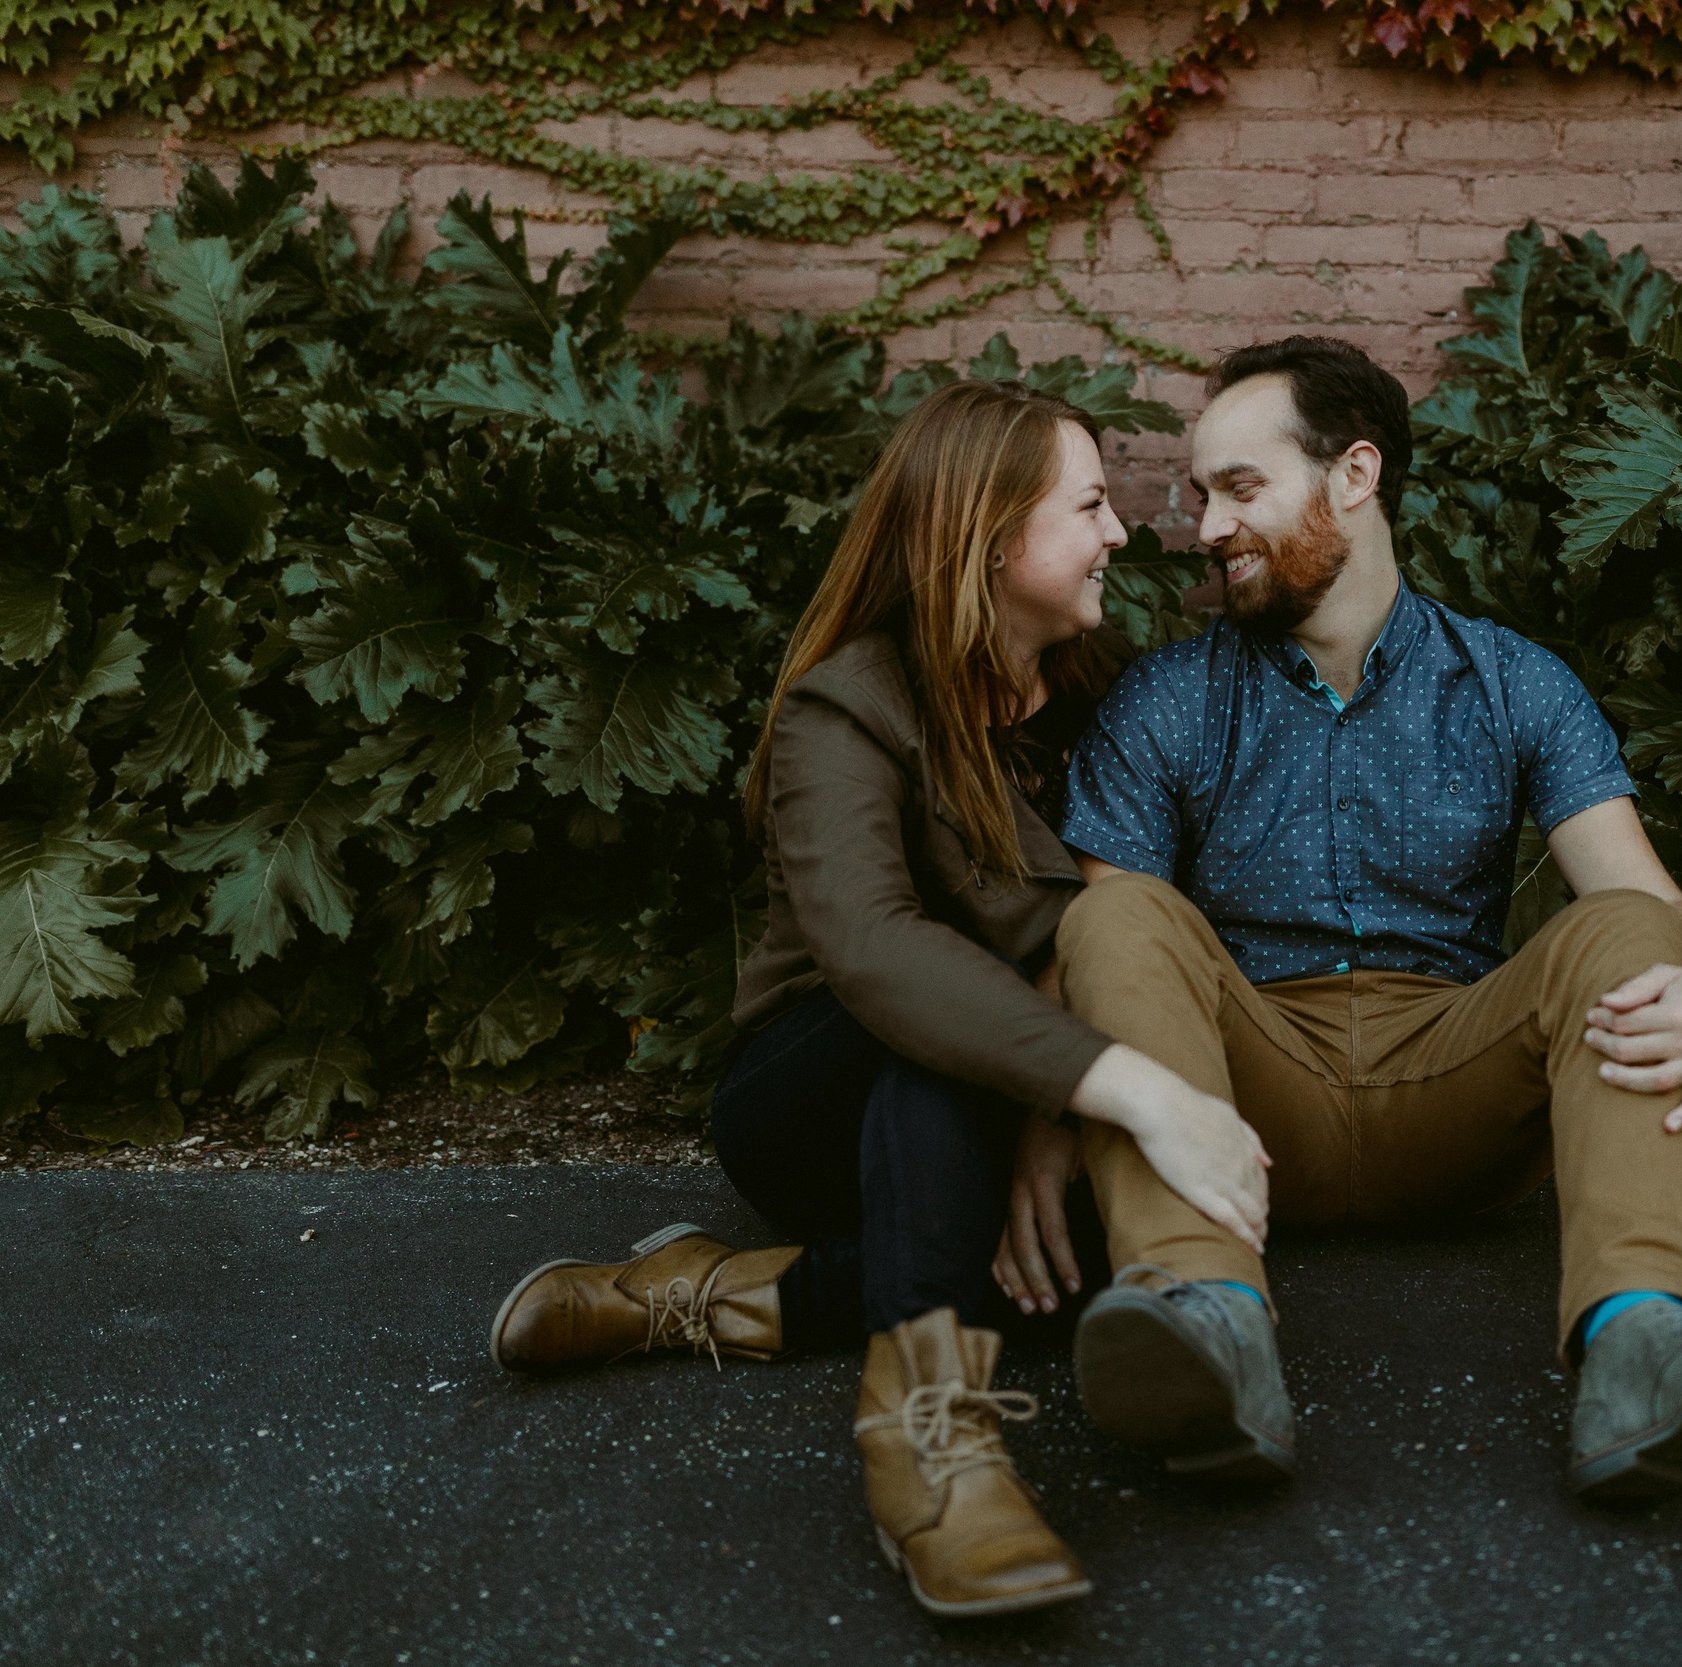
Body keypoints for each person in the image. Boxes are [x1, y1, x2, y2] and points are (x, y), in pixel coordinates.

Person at [1038, 335, 1682, 1505]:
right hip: (1251, 1093)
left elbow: (1656, 904)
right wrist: (1035, 1131)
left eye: (1238, 488)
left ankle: (1647, 1347)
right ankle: (1207, 1331)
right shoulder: (1168, 698)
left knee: (1628, 922)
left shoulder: (1510, 679)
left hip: (1457, 1090)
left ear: (1355, 475)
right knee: (1117, 916)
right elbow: (1095, 966)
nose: (1206, 526)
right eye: (1197, 495)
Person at [482, 379, 1265, 1618]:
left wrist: (1062, 1114)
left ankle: (702, 1297)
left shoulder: (1109, 693)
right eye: (1091, 504)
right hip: (822, 1088)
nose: (1122, 532)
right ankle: (933, 1452)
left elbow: (1139, 912)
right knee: (933, 1034)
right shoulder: (848, 705)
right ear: (991, 533)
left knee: (1080, 1286)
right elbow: (878, 952)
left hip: (1023, 1097)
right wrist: (1127, 1089)